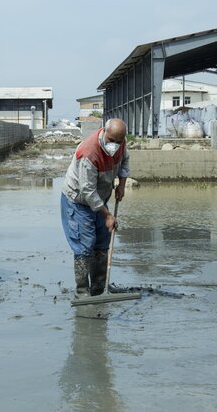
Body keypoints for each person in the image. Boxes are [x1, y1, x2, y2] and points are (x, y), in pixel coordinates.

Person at [60, 118, 130, 298]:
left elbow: (124, 162)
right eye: (111, 140)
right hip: (79, 200)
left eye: (118, 141)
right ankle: (82, 292)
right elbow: (87, 190)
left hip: (100, 200)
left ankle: (99, 288)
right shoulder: (89, 153)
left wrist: (122, 185)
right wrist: (107, 215)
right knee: (85, 245)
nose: (115, 145)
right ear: (104, 132)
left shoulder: (121, 143)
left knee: (101, 242)